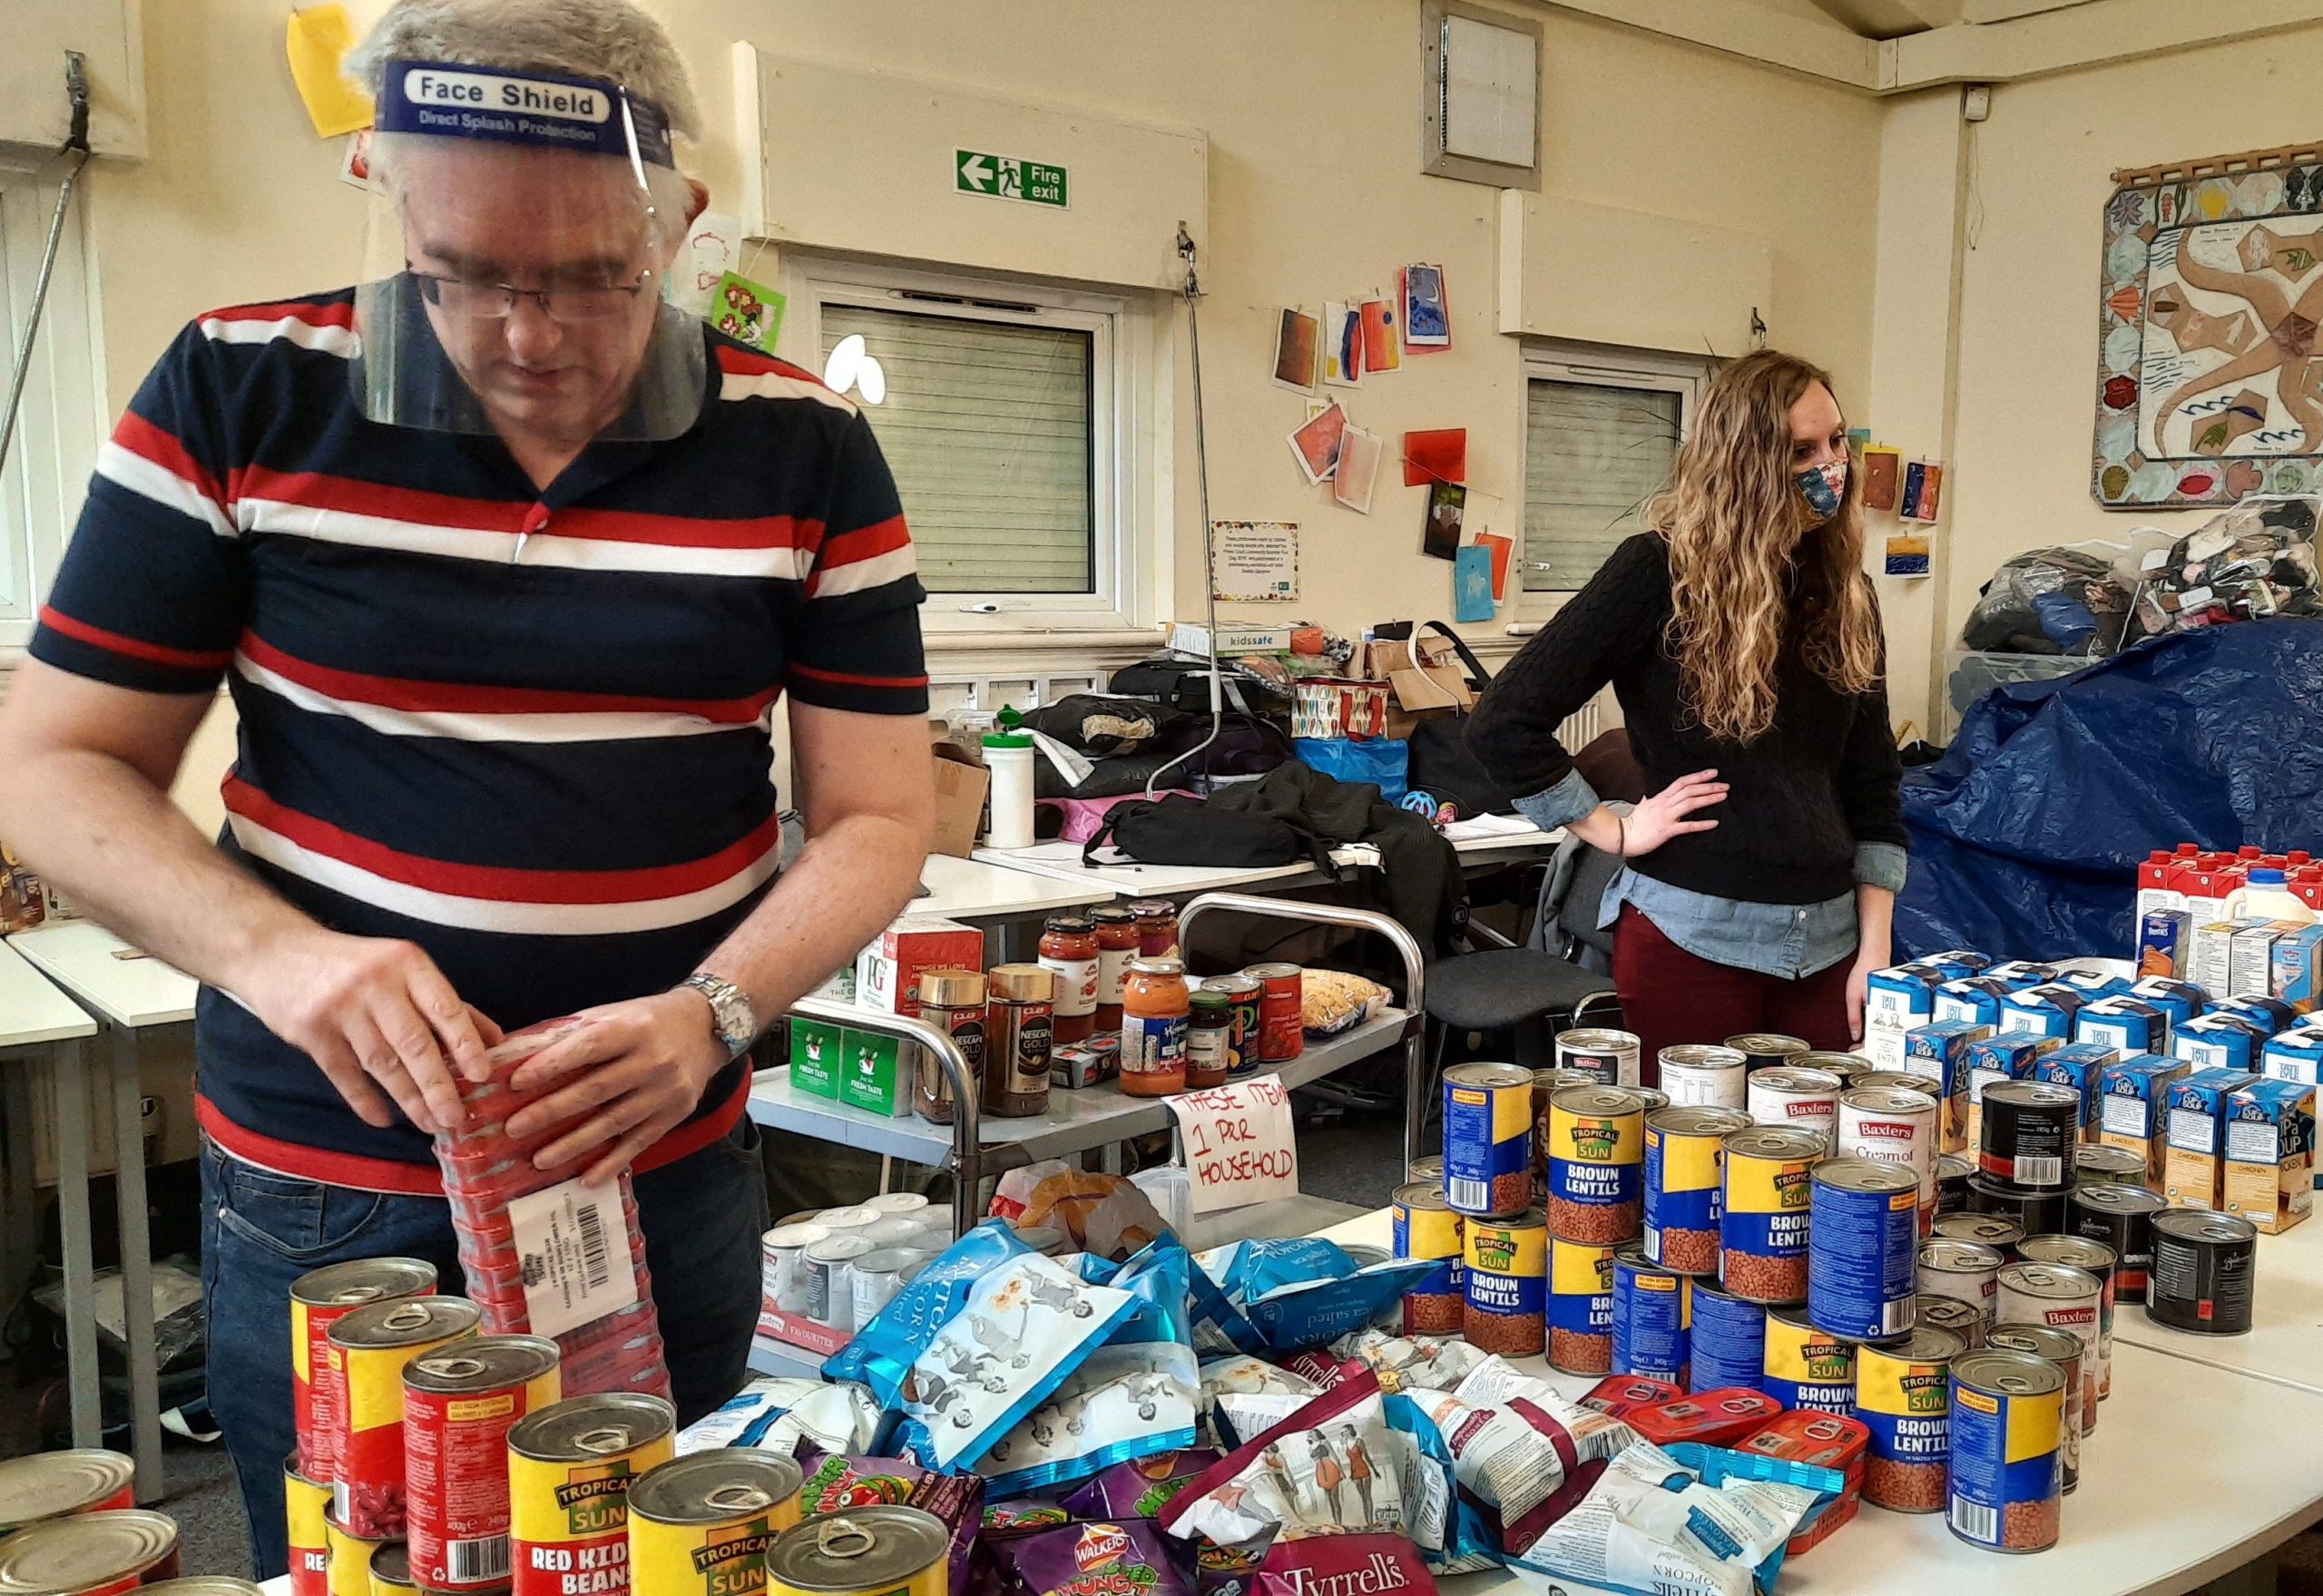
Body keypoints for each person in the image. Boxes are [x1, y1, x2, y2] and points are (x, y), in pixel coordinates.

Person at [0, 0, 931, 1572]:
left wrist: (714, 1008)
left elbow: (880, 815)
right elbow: (49, 768)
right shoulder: (238, 389)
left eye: (593, 276)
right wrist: (283, 958)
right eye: (468, 275)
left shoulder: (808, 446)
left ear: (679, 223)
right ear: (386, 195)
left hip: (661, 1163)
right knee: (355, 1554)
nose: (529, 330)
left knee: (659, 1552)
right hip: (333, 1179)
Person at [1466, 349, 1906, 1074]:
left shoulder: (1846, 590)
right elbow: (1503, 720)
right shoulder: (1656, 571)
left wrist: (1876, 952)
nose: (1831, 467)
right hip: (1693, 941)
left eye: (1837, 442)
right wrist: (1612, 826)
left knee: (1810, 1174)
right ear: (1746, 464)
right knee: (1689, 1174)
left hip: (1828, 949)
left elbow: (1873, 785)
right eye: (1801, 451)